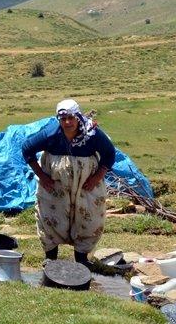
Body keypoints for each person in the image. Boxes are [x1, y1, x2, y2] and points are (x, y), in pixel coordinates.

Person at [20, 99, 116, 266]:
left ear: (78, 117)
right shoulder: (50, 134)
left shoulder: (92, 134)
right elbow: (27, 148)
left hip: (86, 185)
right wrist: (42, 176)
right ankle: (50, 259)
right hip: (56, 186)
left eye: (71, 118)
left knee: (89, 218)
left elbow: (109, 153)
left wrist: (97, 177)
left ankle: (81, 260)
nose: (67, 122)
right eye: (63, 119)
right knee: (49, 218)